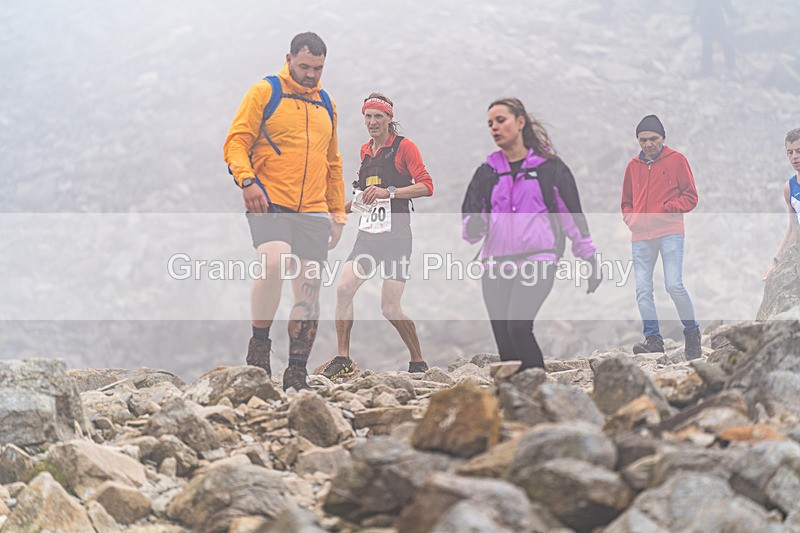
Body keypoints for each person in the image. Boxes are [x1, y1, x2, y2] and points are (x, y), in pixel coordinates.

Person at [223, 32, 346, 391]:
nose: (311, 74)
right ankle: (259, 346)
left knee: (309, 287)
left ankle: (296, 371)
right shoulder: (265, 91)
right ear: (289, 58)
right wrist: (247, 181)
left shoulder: (327, 103)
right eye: (305, 66)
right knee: (274, 261)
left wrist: (337, 213)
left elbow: (332, 162)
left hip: (312, 209)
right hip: (269, 199)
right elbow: (236, 141)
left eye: (318, 68)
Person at [461, 97, 601, 373]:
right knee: (504, 340)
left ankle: (538, 390)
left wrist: (590, 258)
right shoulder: (486, 172)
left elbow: (572, 216)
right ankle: (516, 403)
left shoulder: (550, 169)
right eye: (490, 124)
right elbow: (469, 222)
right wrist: (475, 225)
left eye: (501, 121)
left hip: (538, 260)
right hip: (495, 265)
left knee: (519, 327)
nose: (494, 128)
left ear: (520, 122)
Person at [320, 93, 434, 380]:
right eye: (368, 116)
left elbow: (426, 186)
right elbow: (363, 197)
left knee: (390, 307)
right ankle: (343, 357)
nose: (372, 122)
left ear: (389, 119)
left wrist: (390, 192)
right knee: (344, 288)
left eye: (378, 117)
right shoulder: (365, 151)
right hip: (368, 236)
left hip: (397, 237)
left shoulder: (405, 148)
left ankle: (418, 360)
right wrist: (338, 213)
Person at [621, 115, 702, 360]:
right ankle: (653, 340)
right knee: (643, 290)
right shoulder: (632, 166)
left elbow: (691, 197)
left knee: (673, 285)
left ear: (663, 138)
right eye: (643, 139)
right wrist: (631, 219)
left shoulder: (677, 160)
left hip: (670, 233)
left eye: (653, 139)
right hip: (641, 236)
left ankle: (692, 332)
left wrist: (667, 208)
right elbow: (626, 202)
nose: (648, 144)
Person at [763, 128, 800, 281]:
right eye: (790, 153)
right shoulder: (789, 188)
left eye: (799, 151)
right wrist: (775, 261)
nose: (795, 157)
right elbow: (793, 228)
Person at [693, 0, 737, 77]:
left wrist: (692, 20)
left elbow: (696, 8)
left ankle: (707, 71)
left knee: (708, 47)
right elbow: (728, 7)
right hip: (714, 22)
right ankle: (730, 68)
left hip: (708, 23)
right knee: (725, 44)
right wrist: (737, 15)